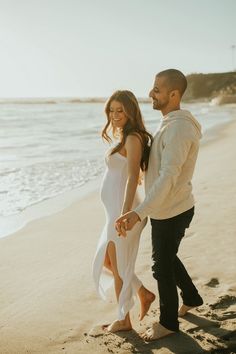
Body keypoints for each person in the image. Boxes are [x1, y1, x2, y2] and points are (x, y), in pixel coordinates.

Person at [116, 69, 203, 340]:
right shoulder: (170, 122)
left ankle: (167, 323)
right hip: (168, 206)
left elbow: (168, 177)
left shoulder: (178, 128)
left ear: (173, 94)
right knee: (167, 256)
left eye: (156, 89)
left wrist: (139, 211)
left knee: (160, 265)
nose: (150, 94)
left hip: (172, 209)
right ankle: (191, 297)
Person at [92, 90, 155, 333]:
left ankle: (124, 320)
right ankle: (142, 293)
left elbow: (131, 177)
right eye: (112, 110)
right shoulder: (125, 137)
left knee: (115, 263)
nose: (115, 115)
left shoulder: (133, 138)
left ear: (131, 111)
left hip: (124, 211)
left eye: (120, 110)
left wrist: (125, 212)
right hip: (116, 211)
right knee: (110, 261)